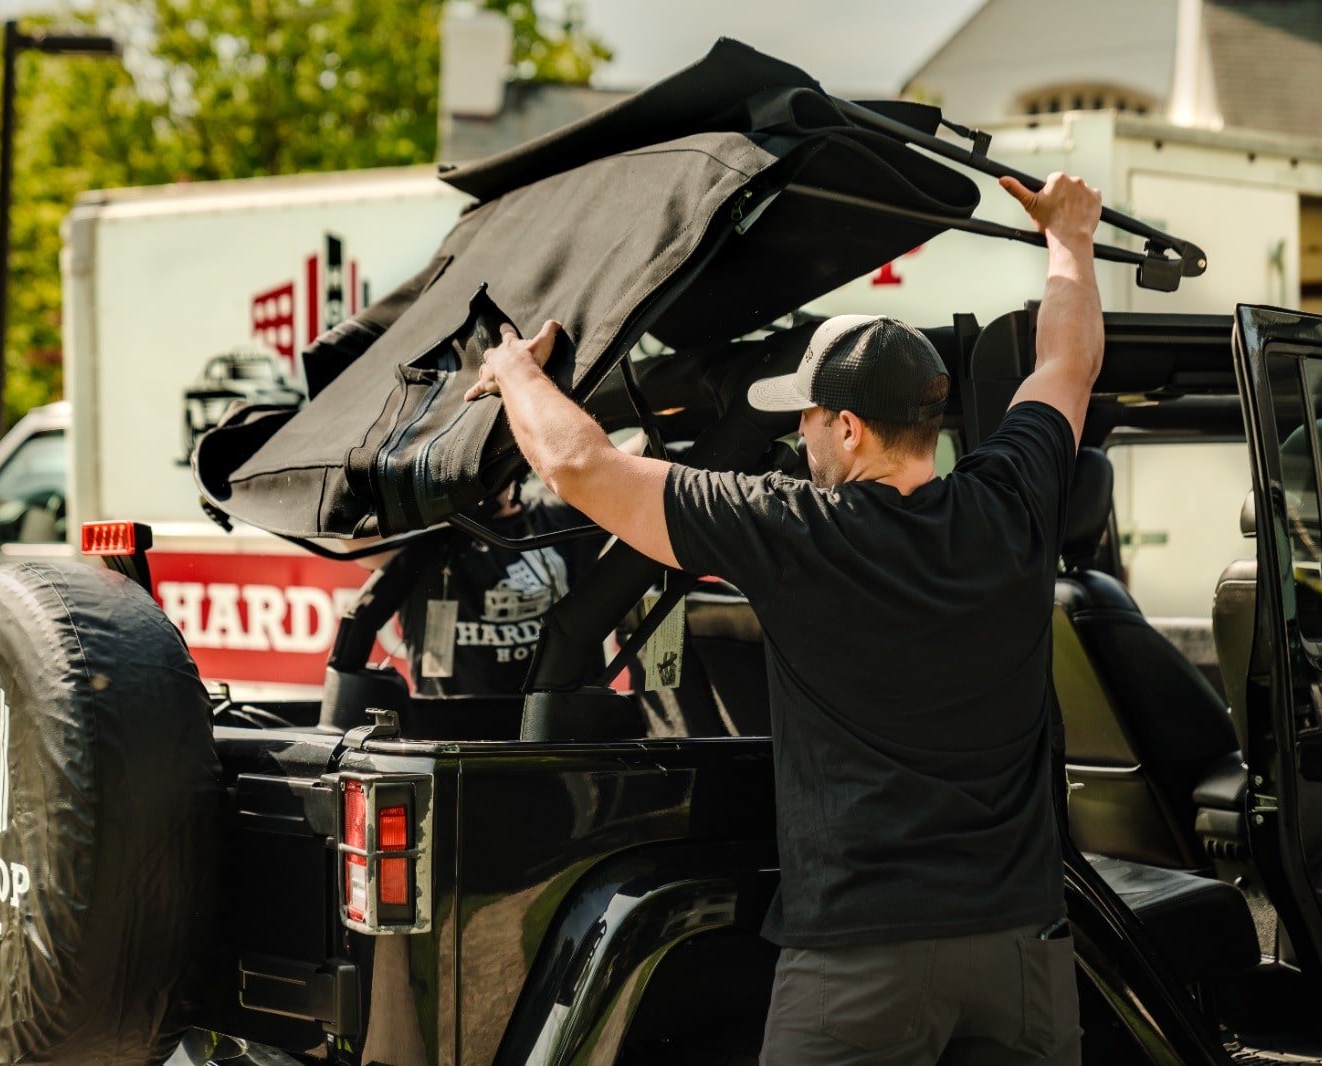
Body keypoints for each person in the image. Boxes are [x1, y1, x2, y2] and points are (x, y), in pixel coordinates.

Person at [464, 171, 1104, 1063]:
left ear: (849, 429)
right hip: (1024, 950)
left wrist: (515, 371)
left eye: (806, 418)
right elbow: (1066, 365)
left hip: (862, 958)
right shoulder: (1013, 502)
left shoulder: (793, 529)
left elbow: (584, 470)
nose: (799, 437)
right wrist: (1069, 237)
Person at [355, 437, 643, 695]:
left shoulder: (562, 516)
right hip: (453, 736)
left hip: (558, 732)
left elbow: (636, 458)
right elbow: (351, 531)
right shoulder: (422, 539)